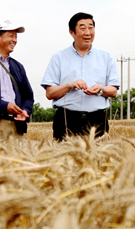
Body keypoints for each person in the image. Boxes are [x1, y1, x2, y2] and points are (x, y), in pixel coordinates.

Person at [41, 12, 120, 141]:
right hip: (66, 119)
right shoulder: (58, 58)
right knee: (64, 154)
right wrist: (69, 85)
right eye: (82, 28)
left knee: (99, 154)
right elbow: (50, 93)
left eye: (91, 27)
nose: (88, 32)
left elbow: (113, 91)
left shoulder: (106, 57)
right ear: (71, 32)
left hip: (97, 120)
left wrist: (101, 89)